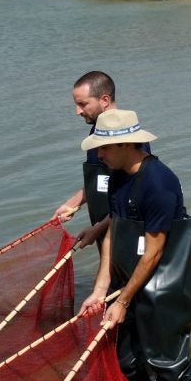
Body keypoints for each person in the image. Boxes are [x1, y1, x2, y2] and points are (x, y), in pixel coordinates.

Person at [76, 108, 191, 381]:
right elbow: (114, 233)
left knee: (170, 364)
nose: (100, 154)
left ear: (126, 144)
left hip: (163, 285)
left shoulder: (158, 183)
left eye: (103, 147)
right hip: (128, 280)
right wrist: (100, 290)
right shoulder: (119, 178)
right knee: (128, 358)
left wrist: (121, 302)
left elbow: (154, 251)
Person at [53, 71, 142, 249]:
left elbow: (133, 196)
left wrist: (98, 229)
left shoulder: (127, 139)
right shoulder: (96, 134)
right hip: (104, 230)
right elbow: (101, 181)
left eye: (83, 104)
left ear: (105, 100)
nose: (77, 111)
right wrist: (72, 204)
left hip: (126, 235)